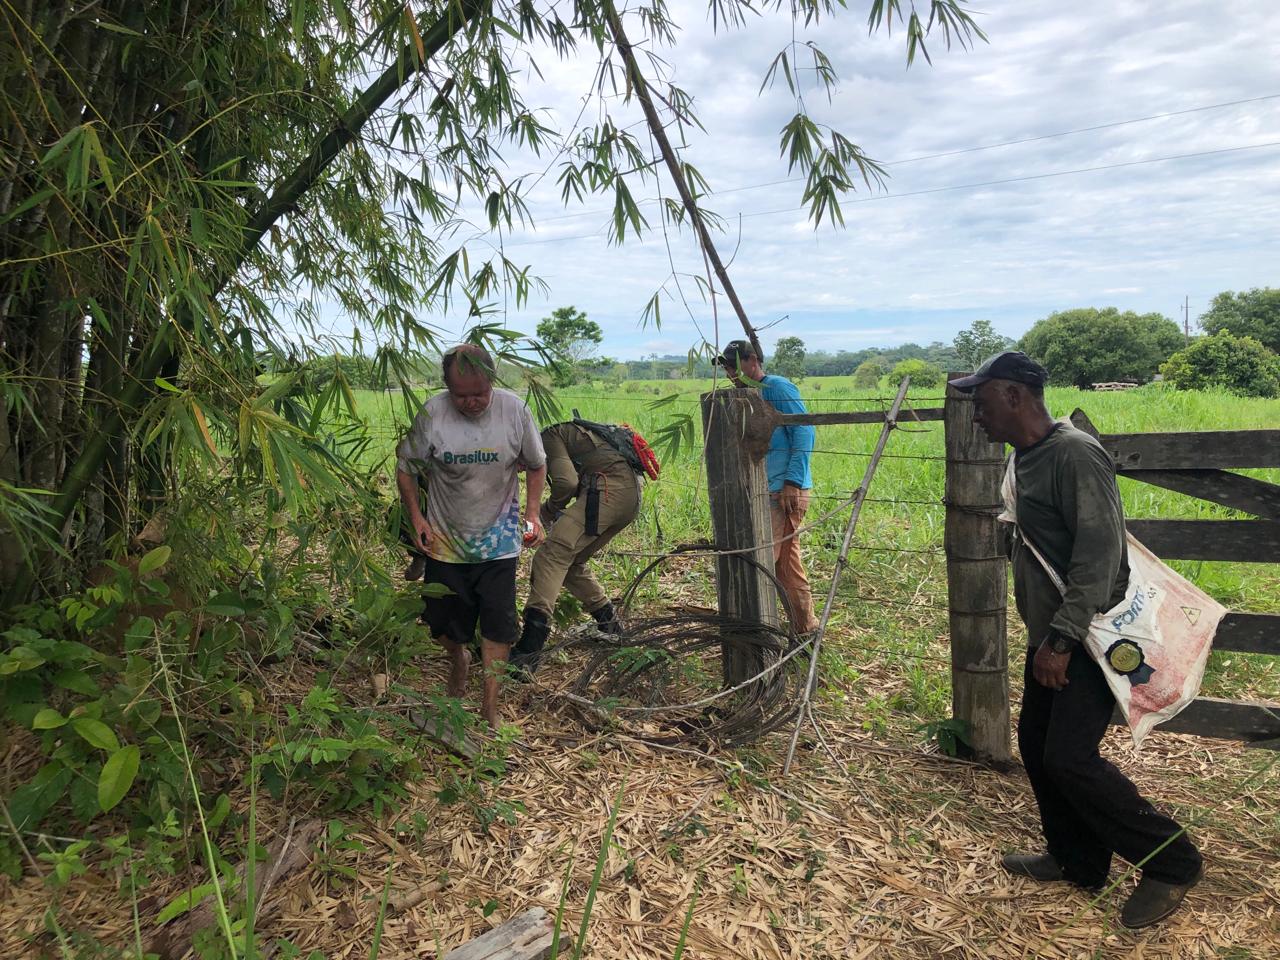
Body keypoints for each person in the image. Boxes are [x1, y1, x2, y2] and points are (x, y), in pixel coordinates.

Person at [950, 351, 1203, 930]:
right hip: (1057, 632)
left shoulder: (1073, 454)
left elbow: (1098, 556)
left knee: (1068, 757)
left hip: (1085, 632)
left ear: (1014, 395)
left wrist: (1060, 640)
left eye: (982, 403)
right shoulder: (1028, 456)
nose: (977, 417)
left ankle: (1172, 863)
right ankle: (1079, 860)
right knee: (1037, 744)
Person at [395, 344, 547, 728]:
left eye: (479, 392)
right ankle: (457, 659)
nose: (472, 402)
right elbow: (406, 469)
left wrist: (532, 513)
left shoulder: (515, 411)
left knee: (498, 626)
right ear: (447, 387)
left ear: (491, 381)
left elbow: (536, 464)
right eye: (461, 395)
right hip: (446, 543)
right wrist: (417, 520)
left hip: (499, 542)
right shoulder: (433, 413)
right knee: (444, 627)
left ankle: (489, 707)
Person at [511, 418, 653, 675]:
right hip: (628, 497)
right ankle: (610, 625)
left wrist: (548, 510)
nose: (521, 468)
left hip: (607, 492)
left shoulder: (549, 436)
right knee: (571, 562)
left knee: (551, 556)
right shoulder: (568, 433)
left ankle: (528, 649)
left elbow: (566, 483)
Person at [714, 339, 819, 634]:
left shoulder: (777, 388)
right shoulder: (746, 394)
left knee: (769, 562)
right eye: (726, 368)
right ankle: (803, 629)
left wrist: (792, 482)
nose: (730, 374)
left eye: (734, 366)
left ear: (752, 361)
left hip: (783, 492)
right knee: (784, 564)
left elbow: (804, 431)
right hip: (765, 490)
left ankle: (773, 630)